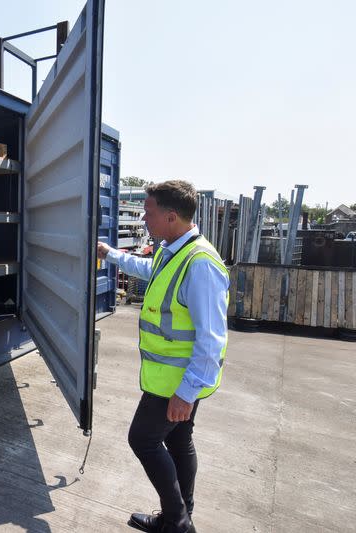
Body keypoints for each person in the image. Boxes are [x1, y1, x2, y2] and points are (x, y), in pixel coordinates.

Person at [97, 181, 229, 533]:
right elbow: (146, 269)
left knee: (142, 439)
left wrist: (186, 392)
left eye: (149, 212)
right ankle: (180, 515)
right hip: (171, 377)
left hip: (178, 381)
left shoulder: (200, 264)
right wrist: (109, 253)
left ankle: (179, 523)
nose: (144, 218)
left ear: (171, 216)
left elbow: (212, 339)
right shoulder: (173, 251)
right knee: (178, 440)